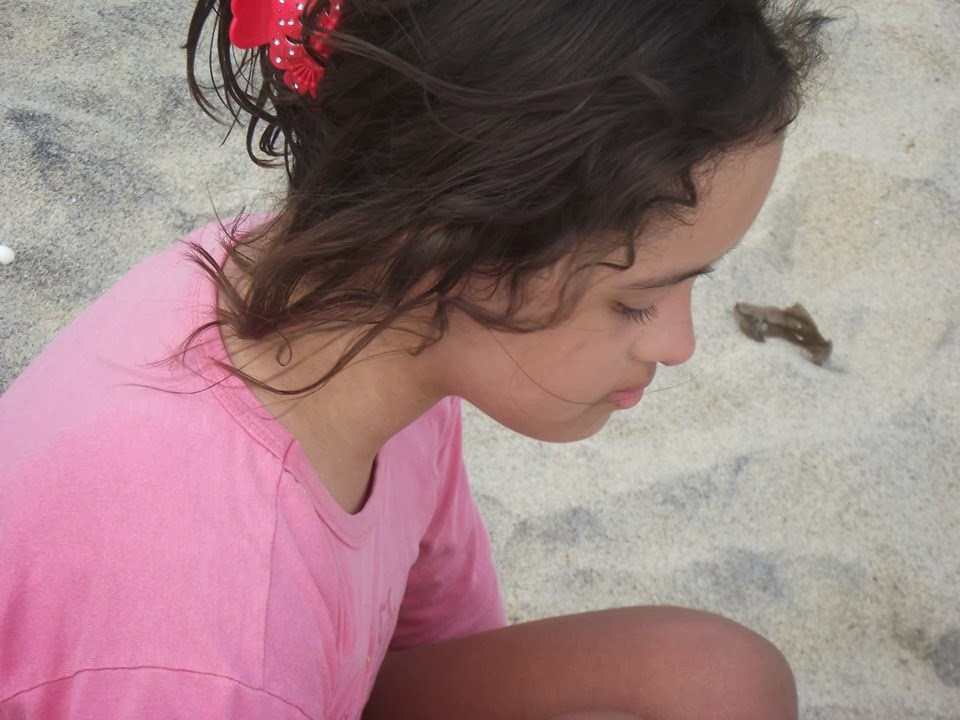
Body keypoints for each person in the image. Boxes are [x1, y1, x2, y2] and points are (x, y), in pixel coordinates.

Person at [0, 0, 832, 717]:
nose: (679, 346)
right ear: (449, 239)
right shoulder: (208, 653)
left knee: (717, 681)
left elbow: (444, 636)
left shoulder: (360, 322)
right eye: (635, 301)